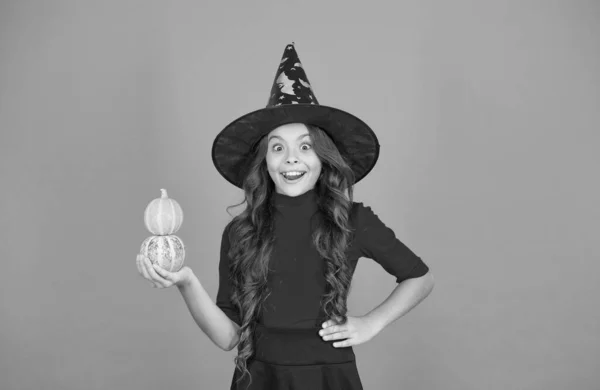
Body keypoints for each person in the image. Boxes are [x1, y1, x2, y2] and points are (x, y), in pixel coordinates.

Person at [136, 43, 434, 390]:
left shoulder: (353, 220)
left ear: (324, 158)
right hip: (259, 377)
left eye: (305, 146)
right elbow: (227, 337)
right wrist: (186, 282)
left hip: (329, 376)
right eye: (278, 147)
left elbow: (420, 279)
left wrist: (371, 323)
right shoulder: (241, 232)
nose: (291, 158)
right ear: (263, 161)